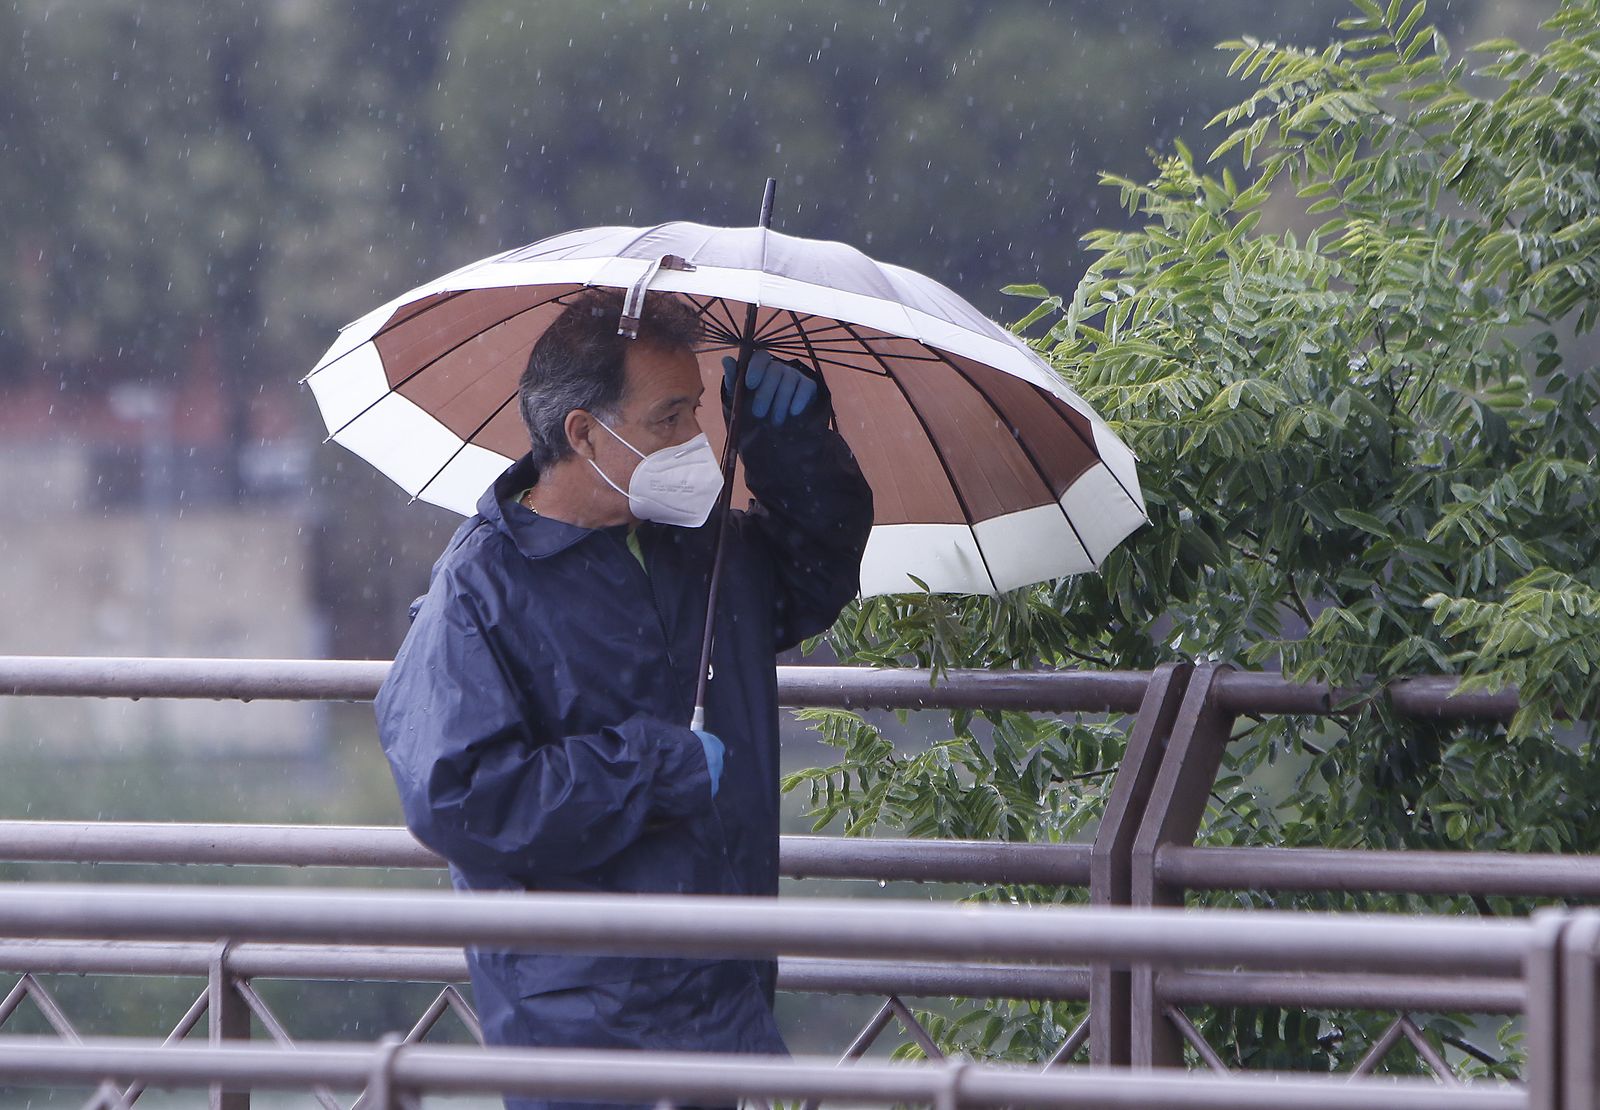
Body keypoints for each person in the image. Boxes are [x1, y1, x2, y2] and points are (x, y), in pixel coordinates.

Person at [374, 287, 873, 1110]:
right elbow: (460, 796)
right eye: (668, 420)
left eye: (699, 415)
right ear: (583, 433)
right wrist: (656, 766)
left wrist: (793, 446)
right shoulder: (483, 588)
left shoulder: (699, 547)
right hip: (580, 1028)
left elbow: (814, 576)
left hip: (723, 997)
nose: (695, 443)